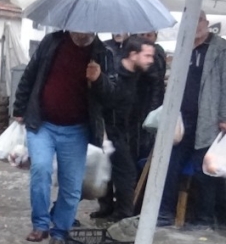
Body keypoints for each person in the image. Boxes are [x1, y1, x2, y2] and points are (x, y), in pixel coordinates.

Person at [13, 30, 113, 244]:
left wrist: (98, 79)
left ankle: (60, 231)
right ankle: (40, 225)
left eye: (86, 31)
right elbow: (31, 74)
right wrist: (19, 108)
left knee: (71, 185)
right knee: (40, 169)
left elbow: (112, 95)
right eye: (77, 30)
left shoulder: (103, 53)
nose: (81, 35)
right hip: (43, 123)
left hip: (77, 129)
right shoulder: (52, 41)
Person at [158, 12, 226, 230]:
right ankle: (164, 214)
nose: (195, 26)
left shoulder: (220, 49)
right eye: (190, 22)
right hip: (181, 120)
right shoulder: (183, 47)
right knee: (169, 165)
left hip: (209, 119)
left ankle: (204, 219)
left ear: (207, 24)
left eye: (199, 21)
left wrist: (224, 116)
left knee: (204, 170)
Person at [93, 36, 156, 222]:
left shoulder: (141, 76)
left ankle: (113, 210)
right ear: (133, 54)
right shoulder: (114, 75)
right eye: (147, 56)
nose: (151, 60)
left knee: (117, 170)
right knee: (123, 172)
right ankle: (120, 213)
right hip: (110, 129)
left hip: (130, 129)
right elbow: (103, 101)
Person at [131, 31, 168, 163]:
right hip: (137, 109)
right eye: (142, 35)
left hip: (145, 110)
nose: (145, 39)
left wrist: (151, 112)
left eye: (149, 36)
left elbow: (156, 87)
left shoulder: (154, 54)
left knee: (141, 151)